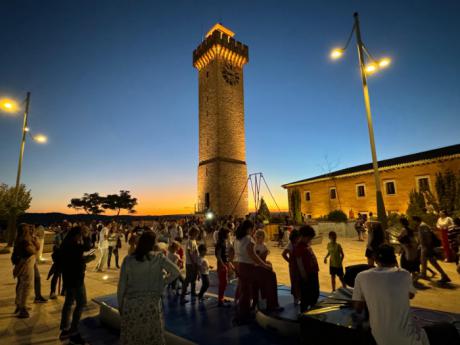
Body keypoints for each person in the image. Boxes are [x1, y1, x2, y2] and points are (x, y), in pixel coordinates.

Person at [352, 244, 429, 345]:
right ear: (394, 259)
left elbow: (357, 308)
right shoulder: (404, 274)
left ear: (375, 259)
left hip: (380, 338)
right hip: (408, 339)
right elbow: (411, 295)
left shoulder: (361, 276)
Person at [117, 231, 180, 345]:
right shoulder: (158, 258)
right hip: (151, 306)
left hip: (132, 306)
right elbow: (176, 272)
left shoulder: (128, 260)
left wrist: (120, 306)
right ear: (153, 244)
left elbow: (121, 286)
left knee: (133, 338)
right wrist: (162, 283)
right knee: (151, 338)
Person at [233, 220, 273, 324]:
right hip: (246, 266)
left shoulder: (237, 238)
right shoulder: (248, 239)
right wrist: (264, 265)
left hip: (239, 265)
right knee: (247, 292)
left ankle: (241, 313)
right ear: (249, 228)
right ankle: (243, 315)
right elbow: (252, 255)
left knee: (243, 290)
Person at [59, 226, 92, 344]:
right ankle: (74, 331)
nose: (80, 237)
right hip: (76, 279)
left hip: (68, 278)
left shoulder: (66, 244)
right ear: (76, 235)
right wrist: (87, 236)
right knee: (82, 302)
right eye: (80, 235)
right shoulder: (73, 245)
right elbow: (87, 247)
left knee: (68, 302)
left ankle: (65, 329)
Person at [12, 224, 39, 318]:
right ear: (25, 230)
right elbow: (33, 251)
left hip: (21, 265)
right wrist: (34, 245)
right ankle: (23, 309)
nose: (30, 230)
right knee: (27, 286)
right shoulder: (25, 241)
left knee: (21, 285)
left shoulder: (19, 239)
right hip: (26, 265)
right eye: (28, 229)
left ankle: (19, 305)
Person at [413, 216, 451, 283]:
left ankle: (420, 277)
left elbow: (428, 237)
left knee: (426, 263)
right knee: (432, 262)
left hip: (425, 247)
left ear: (416, 220)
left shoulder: (422, 226)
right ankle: (444, 275)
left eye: (414, 221)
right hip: (424, 247)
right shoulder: (422, 225)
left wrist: (427, 247)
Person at [294, 225, 320, 313]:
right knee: (306, 296)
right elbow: (299, 262)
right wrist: (303, 275)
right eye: (309, 238)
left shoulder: (306, 245)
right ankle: (304, 315)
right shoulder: (299, 247)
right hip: (307, 275)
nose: (310, 240)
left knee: (314, 294)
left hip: (313, 273)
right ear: (303, 236)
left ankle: (313, 313)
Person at [180, 227, 199, 304]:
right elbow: (189, 252)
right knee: (187, 279)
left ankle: (193, 292)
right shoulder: (189, 241)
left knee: (193, 278)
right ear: (193, 233)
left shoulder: (194, 240)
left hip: (194, 262)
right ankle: (182, 296)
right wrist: (193, 262)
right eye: (197, 233)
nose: (197, 234)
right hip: (190, 263)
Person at [282, 229, 301, 304]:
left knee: (300, 282)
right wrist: (290, 261)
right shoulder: (290, 244)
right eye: (298, 237)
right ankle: (296, 298)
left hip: (298, 266)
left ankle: (300, 297)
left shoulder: (298, 243)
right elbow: (283, 254)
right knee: (294, 282)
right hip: (294, 267)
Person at [215, 227, 231, 307]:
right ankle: (220, 300)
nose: (229, 235)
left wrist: (229, 263)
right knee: (223, 282)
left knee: (225, 282)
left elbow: (224, 255)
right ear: (225, 234)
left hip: (224, 263)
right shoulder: (220, 243)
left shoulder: (224, 242)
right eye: (228, 233)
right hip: (222, 264)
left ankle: (222, 297)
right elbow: (218, 255)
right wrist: (223, 265)